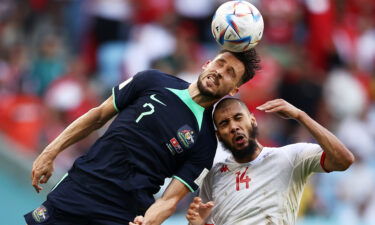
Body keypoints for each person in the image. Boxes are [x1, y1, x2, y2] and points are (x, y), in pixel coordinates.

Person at [24, 49, 261, 225]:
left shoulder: (206, 143)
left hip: (121, 214)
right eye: (220, 63)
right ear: (207, 63)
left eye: (230, 73)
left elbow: (170, 200)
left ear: (233, 90)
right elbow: (97, 116)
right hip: (79, 188)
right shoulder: (152, 80)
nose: (220, 72)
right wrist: (50, 151)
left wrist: (147, 222)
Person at [186, 98, 355, 225]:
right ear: (218, 135)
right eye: (224, 123)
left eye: (238, 118)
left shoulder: (291, 156)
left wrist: (300, 116)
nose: (233, 127)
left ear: (252, 120)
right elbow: (204, 220)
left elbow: (343, 160)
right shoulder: (213, 175)